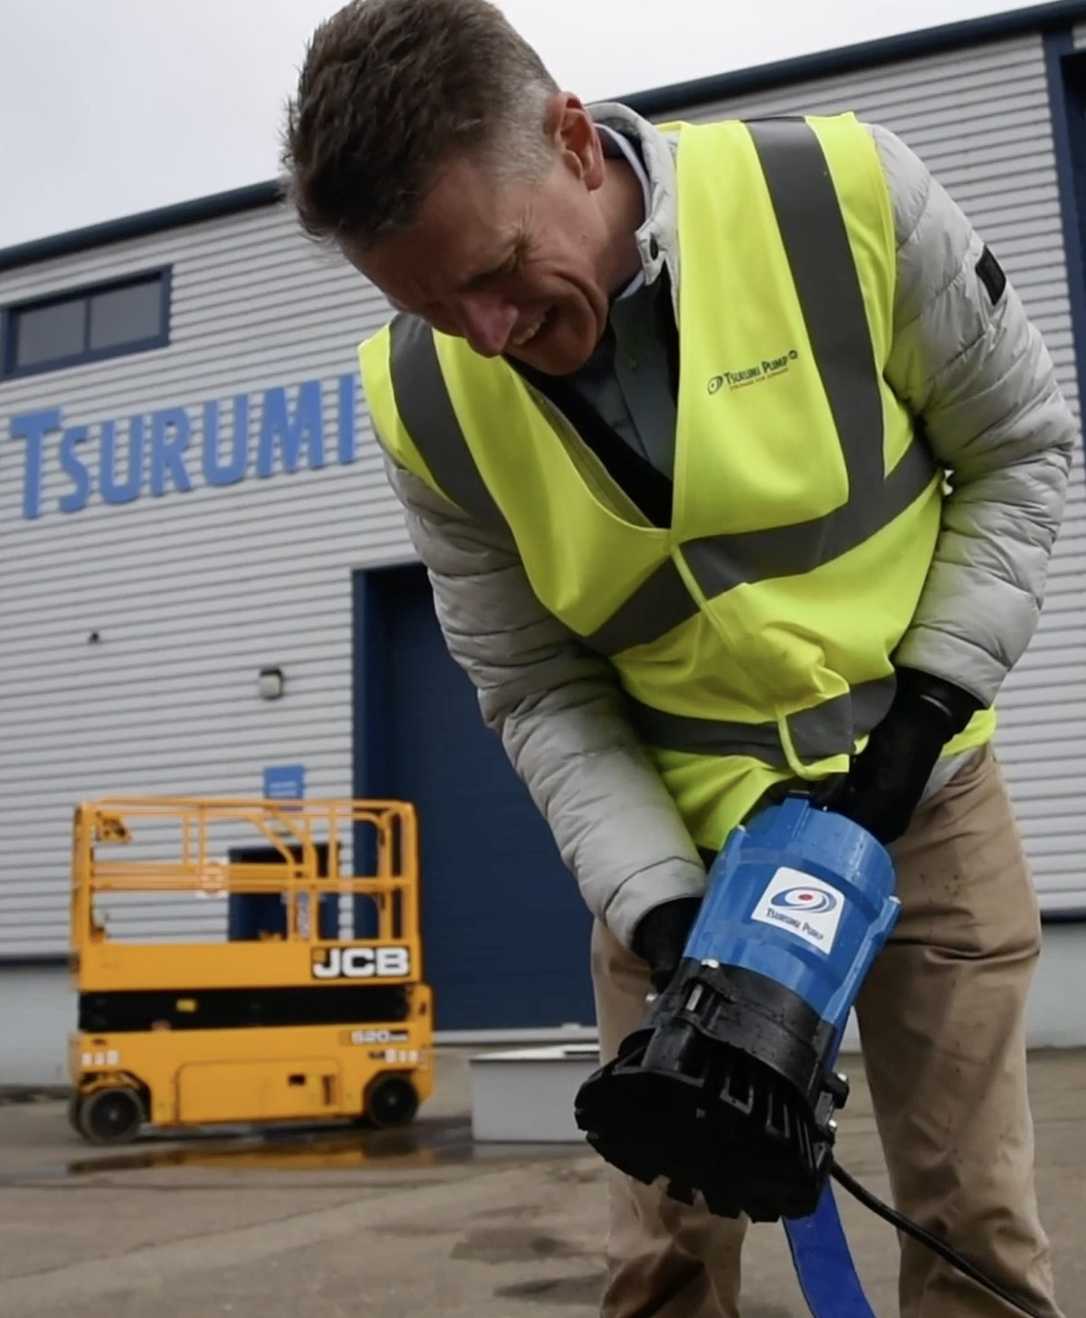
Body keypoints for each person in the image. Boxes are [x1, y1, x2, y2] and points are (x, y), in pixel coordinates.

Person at [282, 2, 1073, 1313]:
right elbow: (535, 682)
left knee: (972, 1229)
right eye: (427, 302)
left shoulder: (839, 200)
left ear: (575, 142)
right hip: (677, 853)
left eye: (493, 269)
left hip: (925, 806)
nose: (479, 332)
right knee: (662, 1255)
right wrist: (654, 909)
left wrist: (919, 726)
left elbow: (1017, 450)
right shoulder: (424, 398)